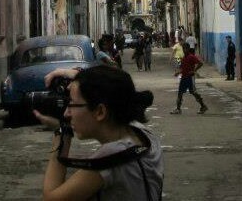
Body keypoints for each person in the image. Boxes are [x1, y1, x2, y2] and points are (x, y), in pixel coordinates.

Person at [35, 65, 164, 200]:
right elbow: (115, 88)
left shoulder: (110, 158)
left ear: (100, 112)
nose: (67, 113)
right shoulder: (143, 133)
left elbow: (51, 198)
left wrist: (62, 132)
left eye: (72, 103)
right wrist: (76, 76)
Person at [170, 43, 208, 115]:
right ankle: (178, 109)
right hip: (184, 77)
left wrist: (194, 70)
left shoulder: (191, 57)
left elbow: (200, 63)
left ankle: (203, 106)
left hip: (189, 77)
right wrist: (178, 73)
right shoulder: (184, 58)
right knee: (180, 93)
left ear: (188, 49)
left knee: (193, 92)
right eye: (183, 49)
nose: (184, 50)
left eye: (186, 48)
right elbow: (184, 69)